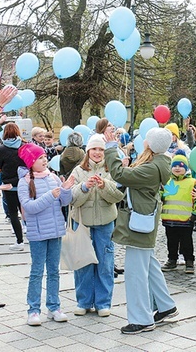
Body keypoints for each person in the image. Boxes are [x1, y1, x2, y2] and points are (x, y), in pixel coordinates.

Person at [102, 126, 178, 334]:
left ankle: (142, 319)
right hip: (144, 222)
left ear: (151, 144)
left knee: (135, 274)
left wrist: (110, 148)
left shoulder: (151, 167)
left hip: (139, 225)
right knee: (150, 266)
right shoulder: (158, 163)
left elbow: (119, 174)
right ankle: (165, 305)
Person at [17, 142, 73, 326]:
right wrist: (51, 195)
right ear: (31, 161)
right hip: (37, 234)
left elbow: (64, 202)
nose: (44, 160)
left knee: (54, 271)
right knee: (37, 271)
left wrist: (66, 188)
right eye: (39, 158)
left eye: (44, 157)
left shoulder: (54, 178)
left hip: (56, 231)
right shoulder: (24, 181)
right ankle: (33, 310)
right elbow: (29, 207)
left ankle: (54, 307)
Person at [69, 134, 124, 316]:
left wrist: (104, 186)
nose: (98, 152)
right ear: (88, 151)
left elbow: (118, 196)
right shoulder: (78, 171)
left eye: (101, 149)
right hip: (82, 224)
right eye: (94, 149)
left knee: (105, 263)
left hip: (105, 223)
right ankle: (84, 301)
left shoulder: (111, 170)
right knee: (83, 263)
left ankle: (103, 303)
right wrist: (84, 187)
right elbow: (72, 199)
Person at [160, 150, 196, 274]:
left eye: (180, 166)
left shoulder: (192, 182)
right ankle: (172, 259)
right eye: (175, 166)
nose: (177, 168)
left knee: (186, 242)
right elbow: (162, 196)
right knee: (171, 242)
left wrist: (195, 215)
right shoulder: (167, 182)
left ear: (186, 168)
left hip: (186, 220)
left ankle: (189, 260)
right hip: (169, 219)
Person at [0, 123, 26, 251]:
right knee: (27, 210)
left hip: (9, 185)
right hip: (24, 183)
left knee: (13, 213)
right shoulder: (24, 147)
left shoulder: (1, 149)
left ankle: (19, 241)